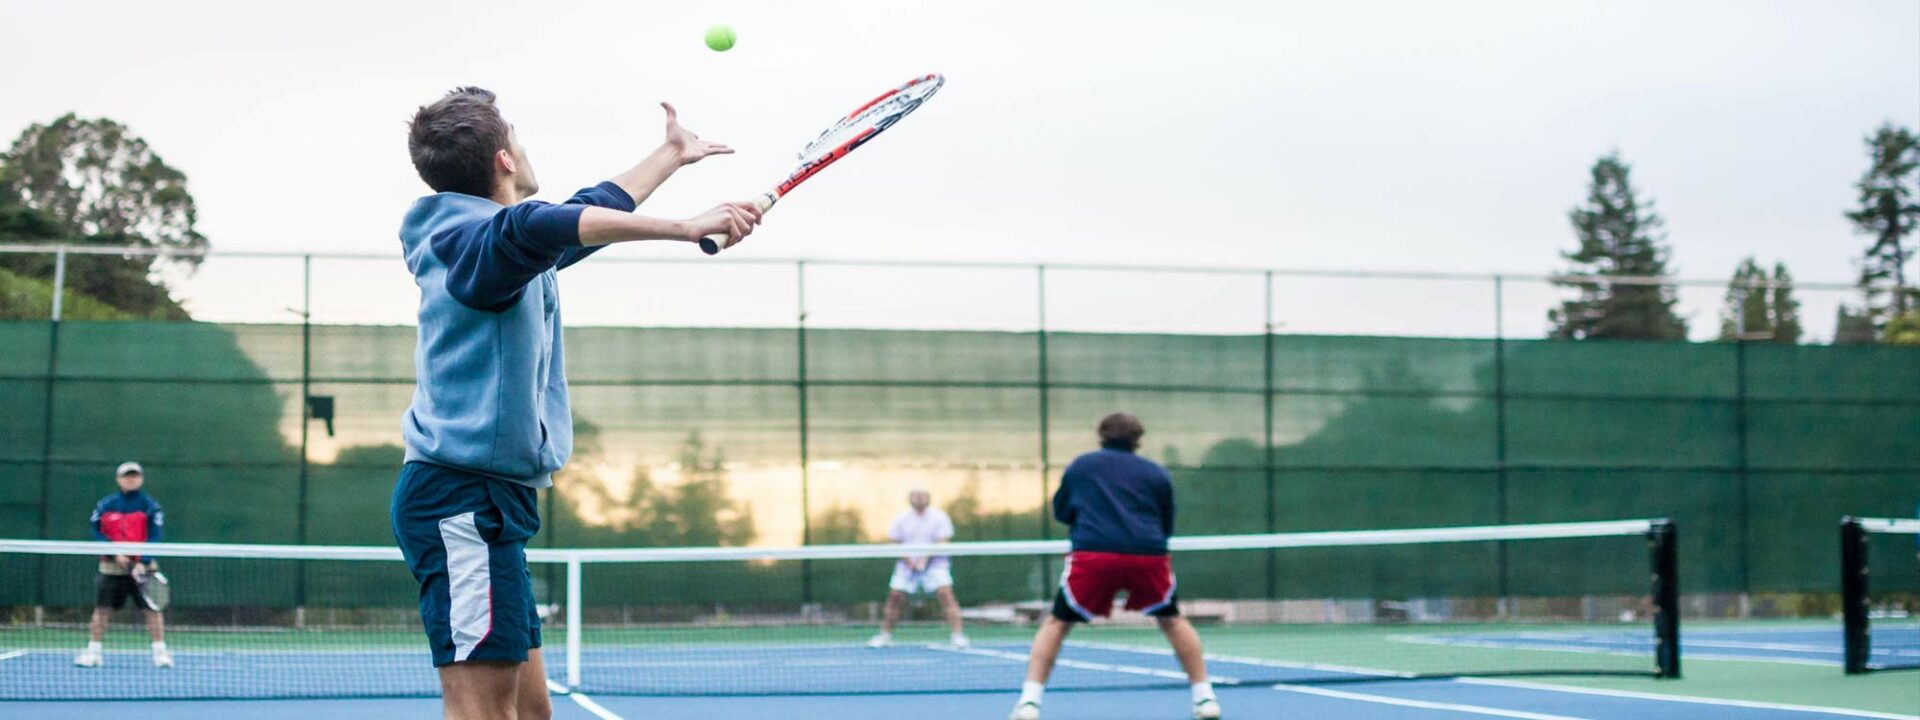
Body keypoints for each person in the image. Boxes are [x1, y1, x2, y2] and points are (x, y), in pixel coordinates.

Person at [389, 87, 761, 720]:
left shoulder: (499, 247)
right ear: (505, 160)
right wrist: (684, 227)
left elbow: (583, 213)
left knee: (532, 712)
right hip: (462, 502)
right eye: (520, 140)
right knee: (482, 711)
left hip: (491, 501)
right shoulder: (474, 246)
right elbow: (542, 223)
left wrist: (669, 157)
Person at [1010, 414, 1220, 720]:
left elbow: (1063, 511)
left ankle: (1029, 703)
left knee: (1056, 623)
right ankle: (1205, 699)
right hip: (1147, 555)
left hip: (1095, 554)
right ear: (1138, 439)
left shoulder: (1081, 466)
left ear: (1102, 436)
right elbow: (1165, 522)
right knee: (1172, 620)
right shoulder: (1157, 473)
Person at [74, 462, 171, 669]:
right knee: (102, 610)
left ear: (141, 478)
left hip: (144, 567)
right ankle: (93, 652)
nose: (131, 479)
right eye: (127, 476)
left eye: (135, 475)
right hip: (111, 567)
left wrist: (142, 562)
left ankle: (160, 654)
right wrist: (115, 552)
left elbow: (155, 536)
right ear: (119, 479)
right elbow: (96, 533)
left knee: (152, 611)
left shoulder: (150, 506)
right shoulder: (105, 505)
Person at [868, 489, 969, 649]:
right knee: (895, 597)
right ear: (910, 499)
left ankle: (958, 636)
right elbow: (895, 542)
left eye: (922, 496)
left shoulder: (939, 517)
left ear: (928, 498)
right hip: (906, 565)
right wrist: (910, 560)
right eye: (916, 496)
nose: (919, 499)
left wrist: (925, 559)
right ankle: (885, 636)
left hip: (936, 564)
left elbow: (942, 541)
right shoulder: (901, 518)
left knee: (946, 594)